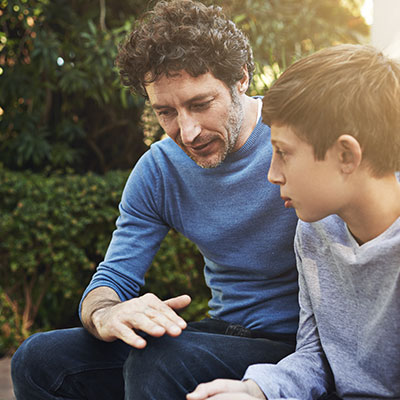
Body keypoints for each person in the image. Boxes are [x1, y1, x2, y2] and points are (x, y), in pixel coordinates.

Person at [11, 1, 300, 399]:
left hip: (295, 347)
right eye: (166, 112)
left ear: (242, 80)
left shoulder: (293, 139)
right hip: (220, 334)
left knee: (160, 360)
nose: (188, 131)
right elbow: (111, 279)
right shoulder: (159, 169)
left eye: (200, 104)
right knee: (37, 359)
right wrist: (107, 313)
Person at [187, 44, 400, 400]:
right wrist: (256, 391)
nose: (272, 175)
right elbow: (316, 354)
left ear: (346, 155)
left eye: (284, 152)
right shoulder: (313, 232)